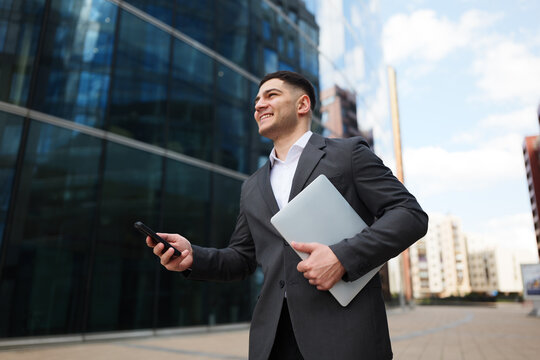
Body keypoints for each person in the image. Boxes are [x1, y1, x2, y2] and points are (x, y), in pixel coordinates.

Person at [147, 71, 428, 360]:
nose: (258, 105)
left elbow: (409, 215)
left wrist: (342, 257)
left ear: (302, 105)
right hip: (273, 341)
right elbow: (242, 258)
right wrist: (194, 256)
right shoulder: (252, 186)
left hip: (345, 336)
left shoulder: (348, 154)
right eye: (256, 100)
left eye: (271, 95)